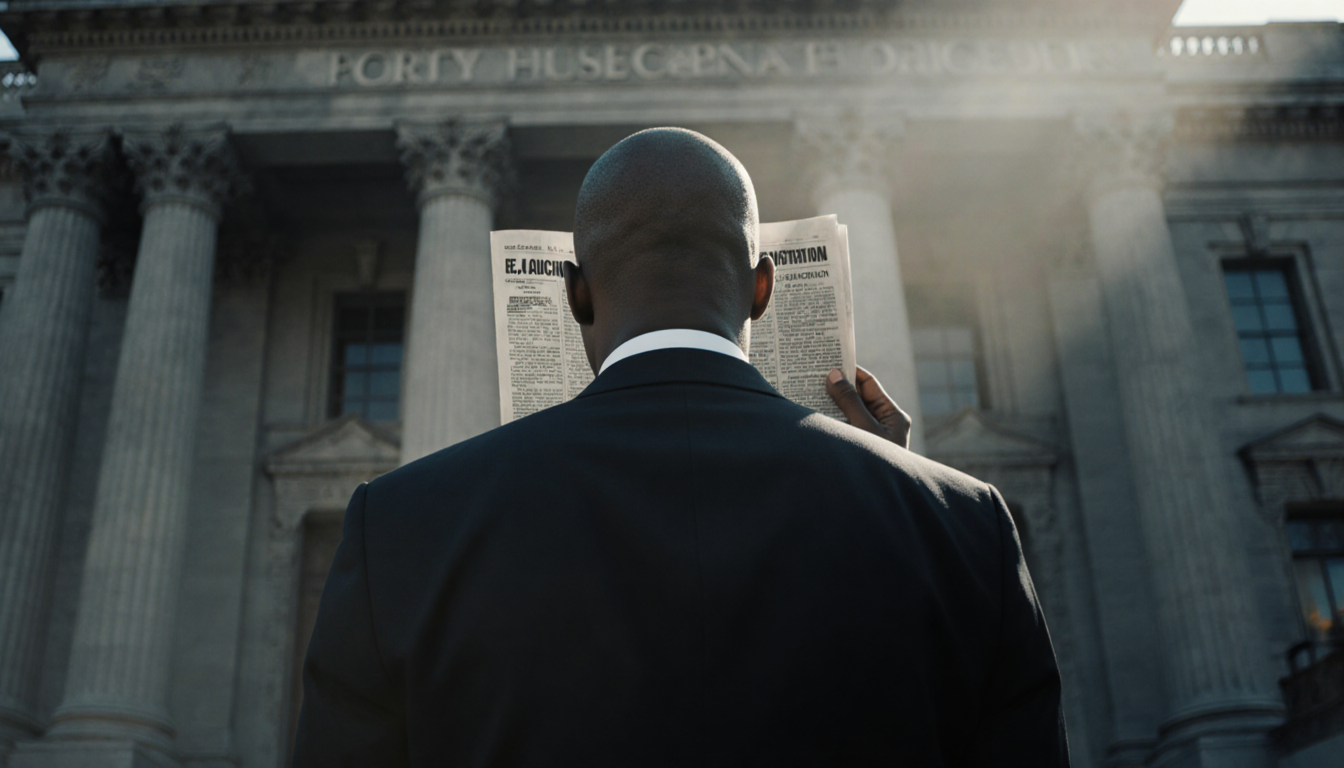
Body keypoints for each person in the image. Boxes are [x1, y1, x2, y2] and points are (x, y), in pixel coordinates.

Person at [293, 127, 1067, 767]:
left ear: (575, 294)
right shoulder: (966, 528)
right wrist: (898, 494)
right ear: (763, 287)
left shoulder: (398, 527)